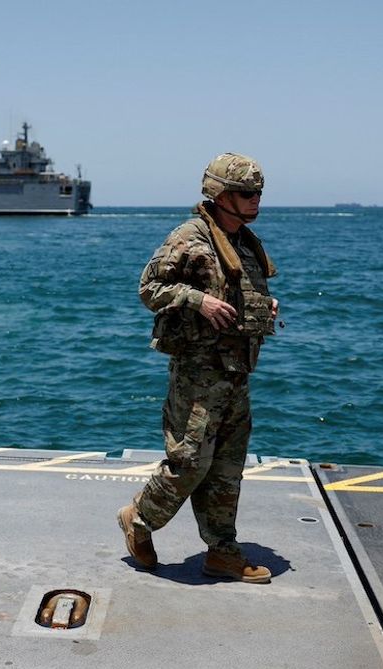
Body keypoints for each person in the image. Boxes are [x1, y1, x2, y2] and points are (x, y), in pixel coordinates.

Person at [117, 153, 279, 584]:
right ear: (220, 194)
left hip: (236, 373)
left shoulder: (243, 241)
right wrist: (197, 300)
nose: (255, 200)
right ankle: (138, 518)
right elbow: (149, 288)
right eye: (247, 193)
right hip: (198, 373)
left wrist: (264, 307)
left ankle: (222, 551)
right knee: (189, 462)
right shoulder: (190, 238)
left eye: (258, 193)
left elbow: (239, 292)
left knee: (228, 466)